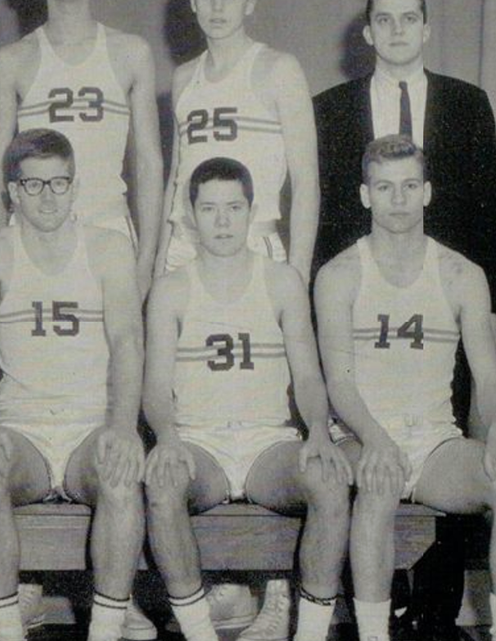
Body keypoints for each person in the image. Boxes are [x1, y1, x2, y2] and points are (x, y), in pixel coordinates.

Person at [314, 0, 496, 631]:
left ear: (426, 29)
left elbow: (487, 203)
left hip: (444, 298)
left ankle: (438, 610)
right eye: (383, 20)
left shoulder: (465, 102)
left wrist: (486, 311)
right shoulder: (332, 109)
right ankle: (372, 612)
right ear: (367, 32)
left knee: (465, 462)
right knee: (374, 470)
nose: (396, 30)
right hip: (365, 302)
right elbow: (324, 214)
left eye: (408, 19)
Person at [143, 157, 351, 641]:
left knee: (329, 479)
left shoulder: (281, 281)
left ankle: (312, 634)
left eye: (233, 208)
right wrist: (168, 437)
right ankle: (199, 633)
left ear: (252, 211)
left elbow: (308, 376)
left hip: (267, 445)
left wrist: (319, 431)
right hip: (202, 445)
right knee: (162, 484)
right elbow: (155, 386)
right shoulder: (171, 289)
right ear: (191, 215)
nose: (222, 221)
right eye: (210, 209)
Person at [0, 129, 146, 641]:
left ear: (76, 187)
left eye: (59, 183)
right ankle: (5, 631)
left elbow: (128, 342)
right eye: (34, 184)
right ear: (13, 191)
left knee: (120, 474)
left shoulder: (109, 249)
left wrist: (123, 427)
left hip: (90, 423)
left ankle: (106, 630)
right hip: (22, 425)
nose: (48, 196)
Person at [0, 0, 163, 295]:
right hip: (33, 235)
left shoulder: (130, 53)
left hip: (109, 232)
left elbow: (148, 163)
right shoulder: (12, 60)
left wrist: (147, 257)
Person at [157, 0, 318, 283]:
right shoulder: (184, 77)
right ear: (192, 1)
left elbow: (306, 183)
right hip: (185, 249)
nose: (217, 8)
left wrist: (298, 276)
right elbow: (176, 178)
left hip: (253, 245)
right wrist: (160, 263)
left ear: (249, 3)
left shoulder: (278, 69)